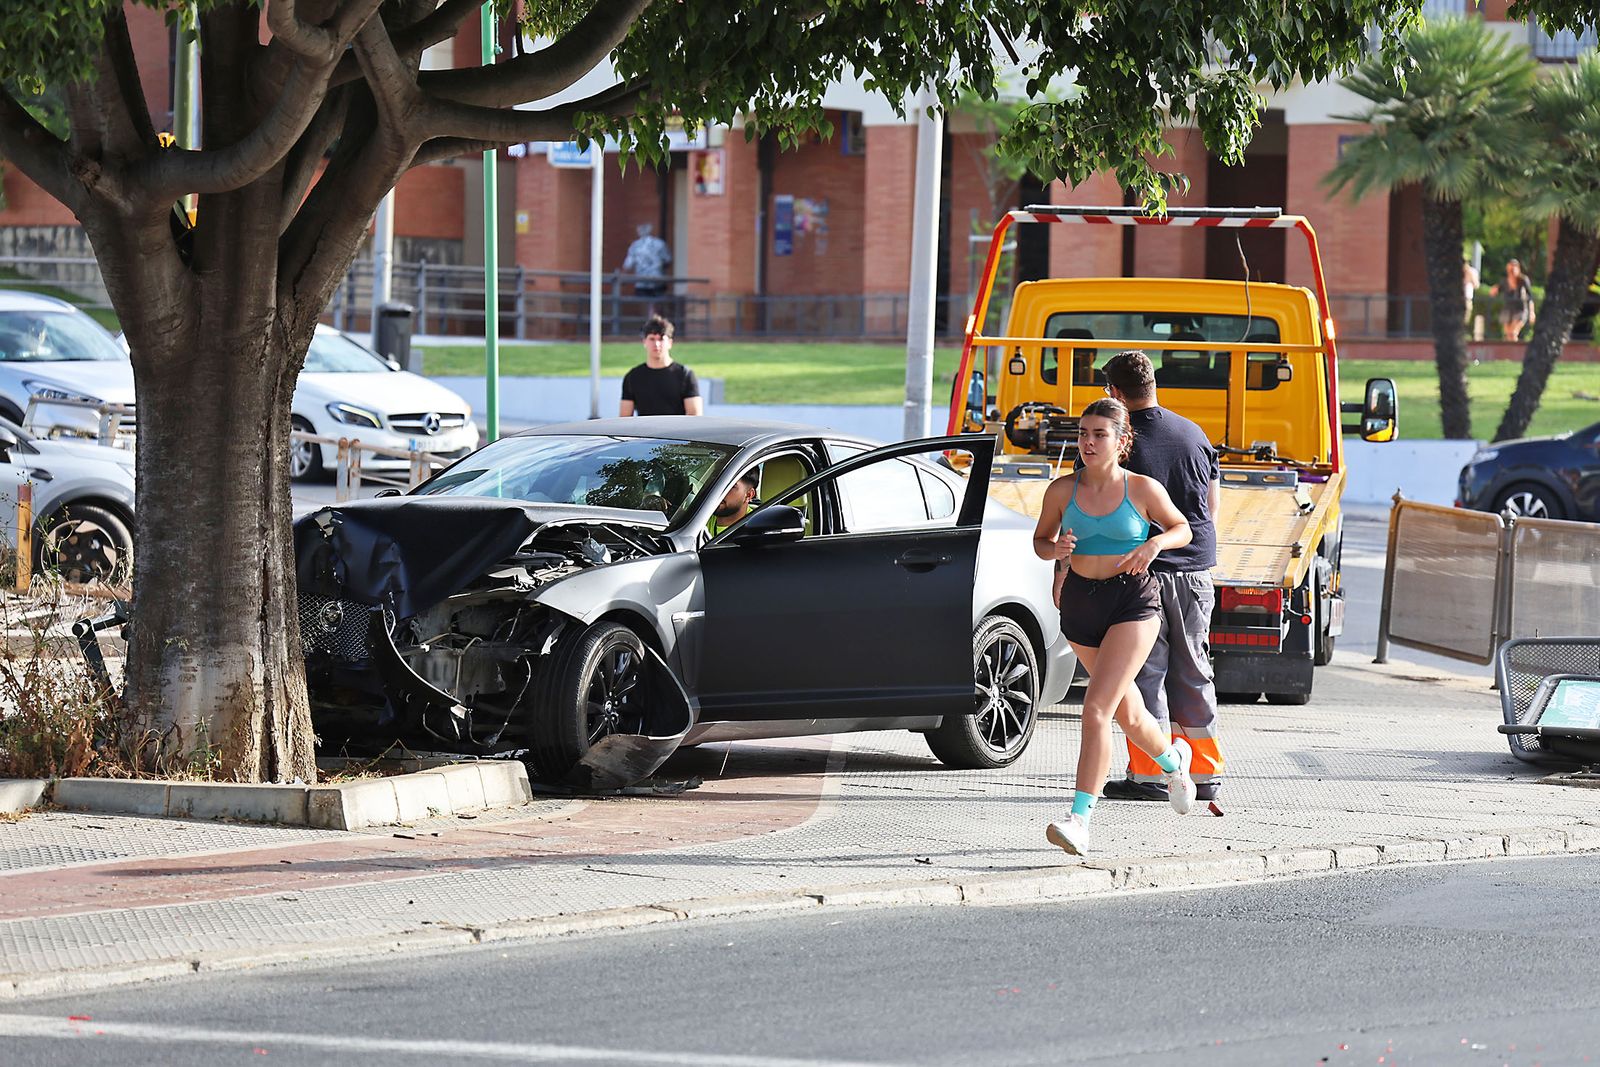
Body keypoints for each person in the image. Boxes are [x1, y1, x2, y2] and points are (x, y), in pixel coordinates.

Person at [1033, 397, 1198, 856]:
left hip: (1133, 601)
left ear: (1121, 441)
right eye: (1083, 433)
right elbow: (1040, 543)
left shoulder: (1142, 488)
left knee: (1096, 710)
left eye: (1099, 434)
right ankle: (1174, 763)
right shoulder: (1061, 491)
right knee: (1129, 715)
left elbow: (1182, 528)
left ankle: (1078, 820)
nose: (1087, 441)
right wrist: (1057, 547)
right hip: (1082, 605)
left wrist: (1155, 545)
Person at [1092, 350, 1227, 805]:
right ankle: (1204, 772)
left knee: (1147, 673)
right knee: (1194, 670)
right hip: (1193, 572)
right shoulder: (1193, 434)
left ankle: (1151, 774)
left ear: (1113, 392)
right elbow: (1210, 505)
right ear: (1153, 384)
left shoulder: (1120, 442)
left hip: (1140, 574)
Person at [620, 315, 703, 417]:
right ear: (644, 342)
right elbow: (625, 418)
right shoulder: (633, 377)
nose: (656, 344)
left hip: (675, 432)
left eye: (661, 339)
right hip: (644, 432)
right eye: (652, 339)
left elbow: (694, 416)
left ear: (670, 343)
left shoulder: (685, 375)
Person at [621, 223, 672, 299]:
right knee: (658, 300)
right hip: (657, 280)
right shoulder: (660, 244)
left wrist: (622, 276)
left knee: (643, 301)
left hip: (641, 282)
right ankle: (654, 310)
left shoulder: (635, 246)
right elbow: (668, 260)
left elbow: (628, 264)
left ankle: (648, 310)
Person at [1490, 259, 1535, 341]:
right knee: (1507, 334)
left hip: (1519, 309)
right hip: (1508, 309)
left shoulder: (1523, 280)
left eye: (1513, 269)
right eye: (1510, 270)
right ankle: (1507, 352)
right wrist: (1494, 290)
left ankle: (1514, 352)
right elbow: (1495, 291)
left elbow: (1530, 297)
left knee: (1513, 332)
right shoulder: (1504, 281)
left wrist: (1532, 312)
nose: (1512, 272)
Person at [707, 468, 759, 536]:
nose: (718, 491)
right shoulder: (699, 518)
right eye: (717, 483)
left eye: (730, 486)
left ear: (748, 495)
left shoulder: (756, 530)